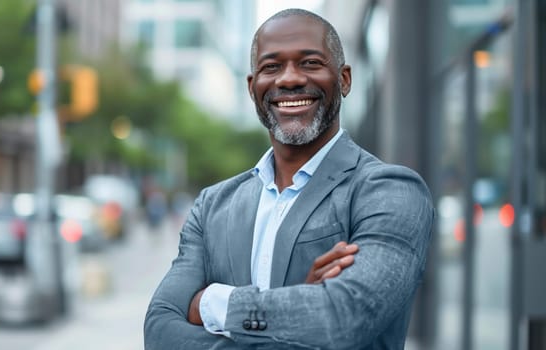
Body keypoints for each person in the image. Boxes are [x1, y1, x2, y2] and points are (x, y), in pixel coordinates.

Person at [144, 8, 434, 350]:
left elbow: (344, 318)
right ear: (253, 88)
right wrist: (299, 309)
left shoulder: (389, 191)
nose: (290, 79)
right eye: (271, 66)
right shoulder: (213, 206)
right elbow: (160, 331)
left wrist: (211, 304)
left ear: (344, 79)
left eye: (310, 63)